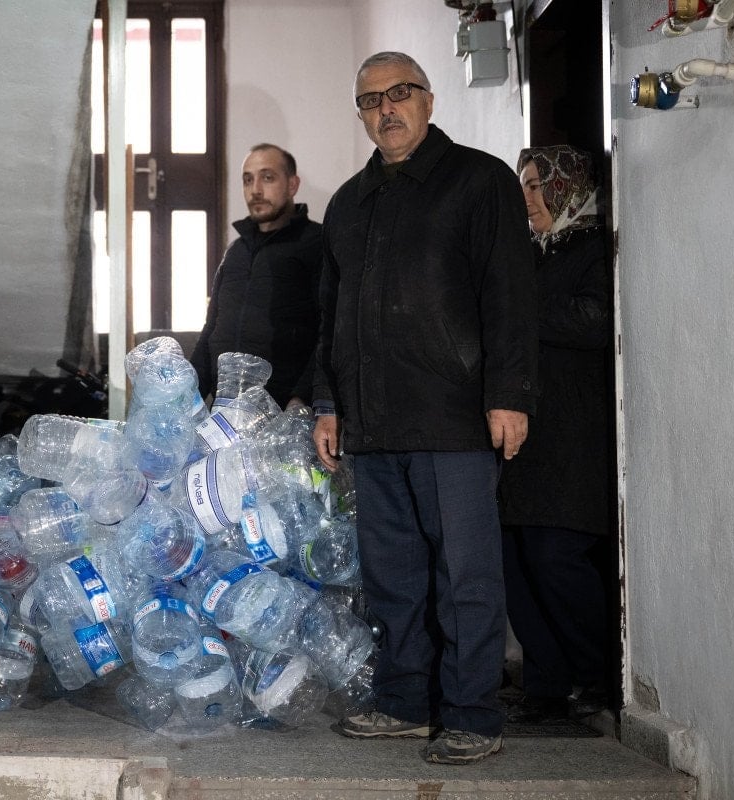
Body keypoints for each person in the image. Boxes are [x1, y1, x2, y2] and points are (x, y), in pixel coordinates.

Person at [311, 52, 538, 765]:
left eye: (400, 93)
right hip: (373, 422)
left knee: (465, 576)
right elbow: (332, 316)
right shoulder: (348, 203)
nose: (387, 109)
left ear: (429, 100)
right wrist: (328, 403)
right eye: (370, 99)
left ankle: (472, 713)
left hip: (454, 418)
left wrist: (509, 396)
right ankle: (405, 703)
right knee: (392, 576)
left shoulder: (480, 182)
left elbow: (510, 296)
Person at [499, 145, 611, 723]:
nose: (527, 196)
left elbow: (595, 321)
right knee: (514, 559)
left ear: (568, 187)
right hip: (523, 434)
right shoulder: (527, 254)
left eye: (537, 184)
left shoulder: (594, 249)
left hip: (574, 434)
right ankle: (547, 682)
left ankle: (599, 674)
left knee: (555, 555)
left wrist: (519, 311)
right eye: (524, 184)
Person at [190, 144, 322, 409]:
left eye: (267, 177)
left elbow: (330, 333)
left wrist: (302, 397)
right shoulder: (235, 252)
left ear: (292, 185)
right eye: (248, 180)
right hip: (224, 413)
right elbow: (211, 330)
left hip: (284, 412)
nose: (256, 190)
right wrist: (188, 399)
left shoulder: (316, 243)